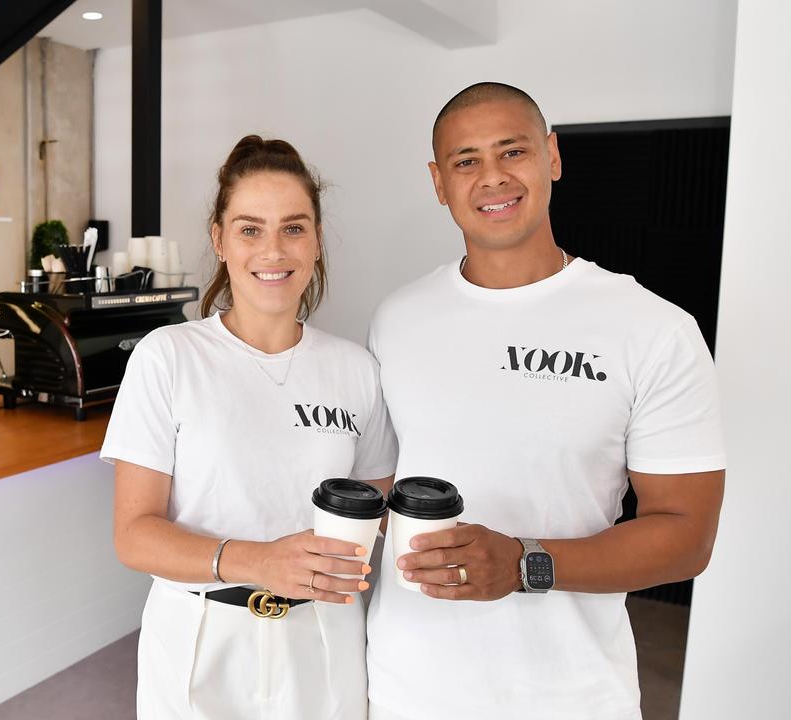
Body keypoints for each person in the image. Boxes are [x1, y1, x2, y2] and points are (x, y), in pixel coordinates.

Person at [364, 82, 727, 720]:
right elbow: (385, 490)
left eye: (514, 152)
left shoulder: (653, 329)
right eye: (466, 160)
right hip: (407, 685)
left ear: (553, 157)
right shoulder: (397, 318)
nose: (492, 178)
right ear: (438, 181)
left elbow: (687, 537)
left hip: (570, 695)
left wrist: (529, 562)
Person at [101, 135, 398, 718]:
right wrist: (256, 561)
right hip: (201, 635)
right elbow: (134, 534)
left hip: (324, 635)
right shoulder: (169, 357)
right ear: (219, 239)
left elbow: (376, 513)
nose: (273, 250)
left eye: (293, 227)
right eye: (249, 228)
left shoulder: (355, 370)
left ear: (315, 241)